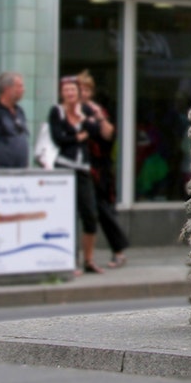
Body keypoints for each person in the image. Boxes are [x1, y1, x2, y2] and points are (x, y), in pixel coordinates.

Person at [49, 76, 103, 274]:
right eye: (66, 91)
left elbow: (97, 131)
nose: (70, 94)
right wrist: (78, 136)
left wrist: (90, 118)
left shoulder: (85, 110)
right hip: (64, 168)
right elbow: (58, 138)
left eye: (73, 90)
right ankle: (69, 261)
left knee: (90, 214)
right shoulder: (57, 112)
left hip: (83, 168)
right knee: (67, 216)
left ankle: (88, 260)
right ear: (62, 93)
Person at [76, 70, 128, 268]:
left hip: (97, 168)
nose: (82, 92)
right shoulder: (70, 111)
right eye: (79, 88)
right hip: (79, 165)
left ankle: (118, 250)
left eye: (86, 89)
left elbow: (108, 134)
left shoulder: (94, 111)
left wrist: (97, 117)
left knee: (102, 209)